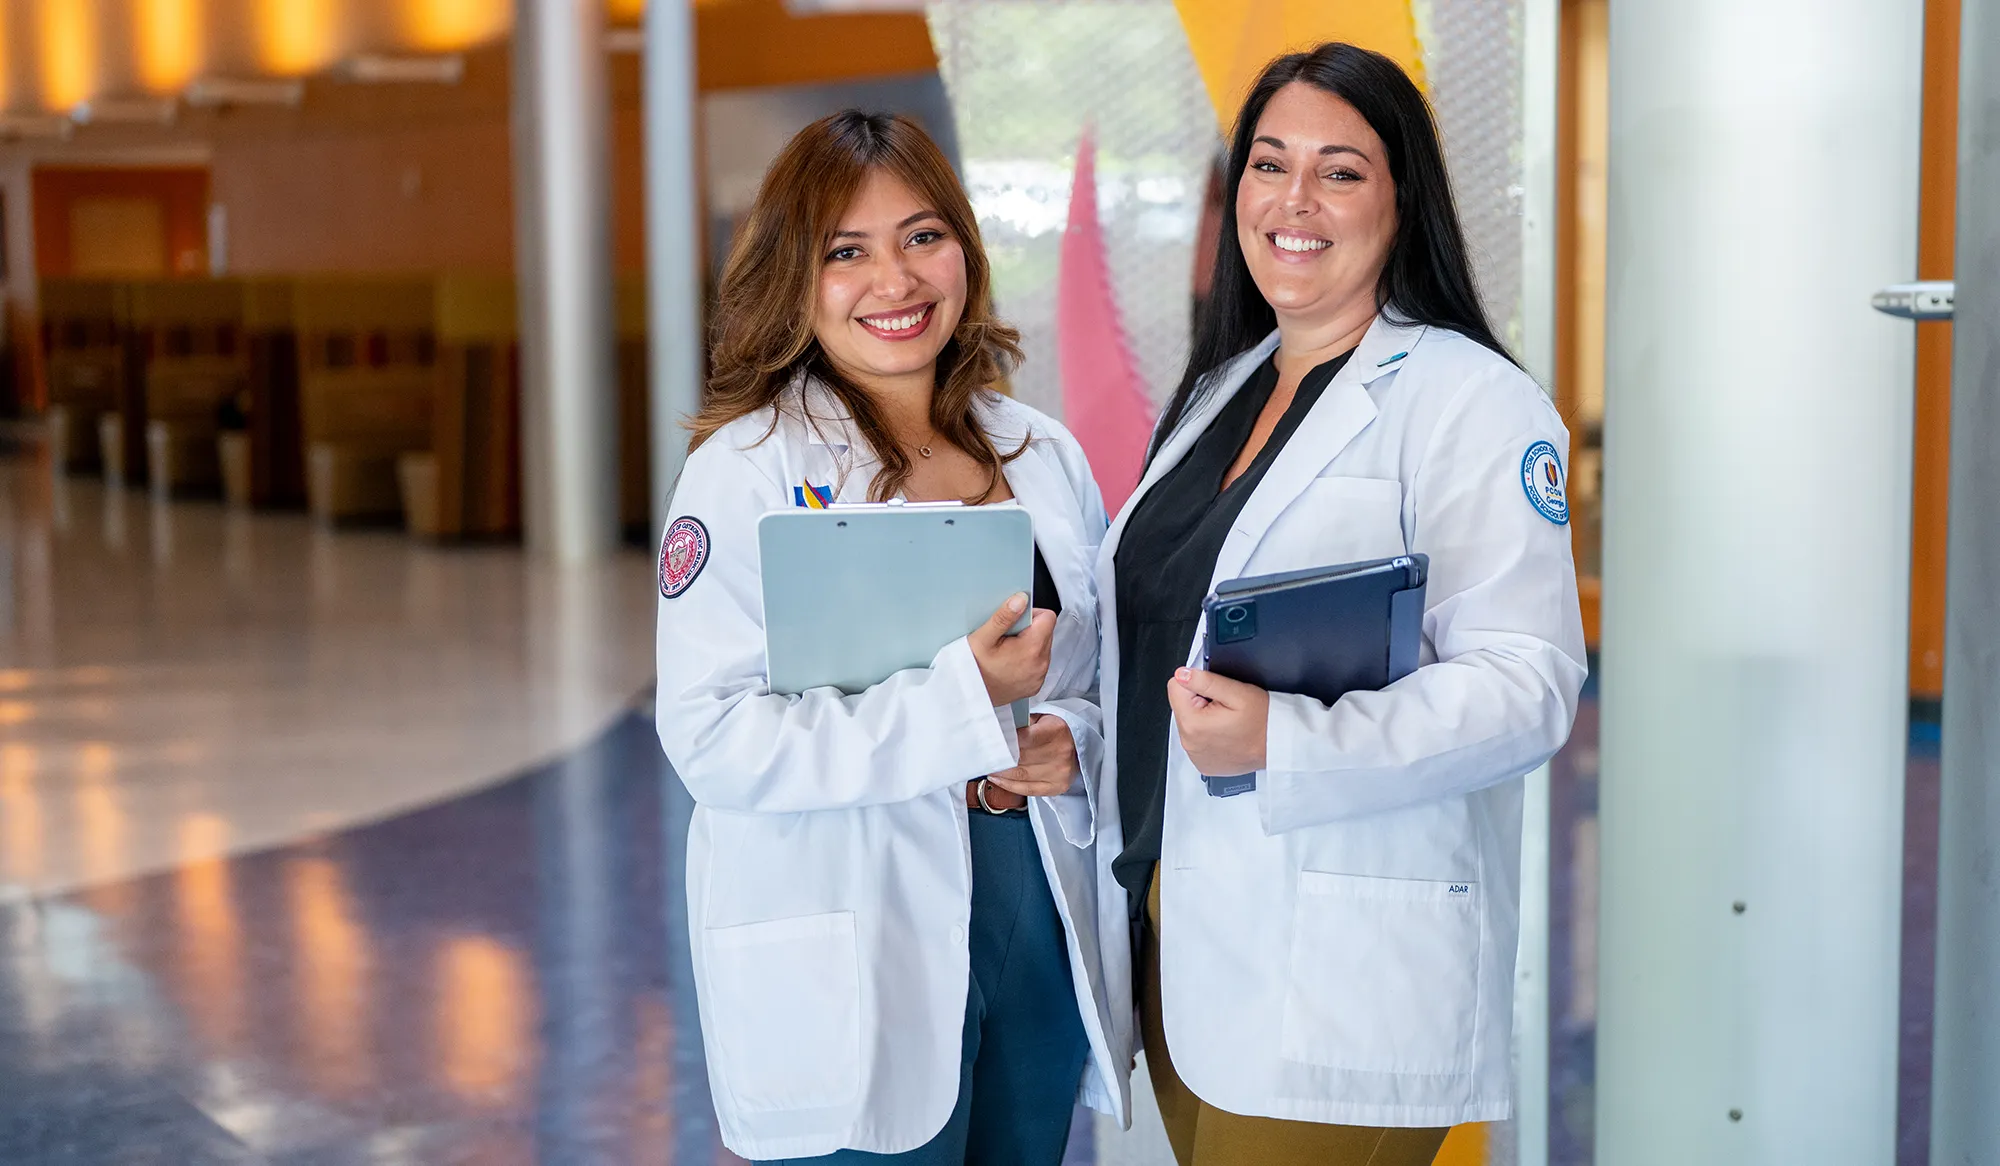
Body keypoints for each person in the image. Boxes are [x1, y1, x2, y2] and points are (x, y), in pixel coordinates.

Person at [1093, 43, 1588, 1165]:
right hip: (1171, 934)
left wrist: (1289, 738)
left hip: (1338, 966)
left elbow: (1528, 686)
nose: (1293, 201)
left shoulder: (1473, 403)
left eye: (1340, 170)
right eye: (1267, 166)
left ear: (1401, 202)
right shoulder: (1223, 386)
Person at [654, 110, 1128, 1165]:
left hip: (1033, 922)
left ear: (962, 244)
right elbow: (715, 738)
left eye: (921, 236)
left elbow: (1096, 678)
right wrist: (962, 708)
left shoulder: (1041, 451)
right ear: (794, 275)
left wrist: (1063, 740)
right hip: (850, 934)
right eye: (846, 252)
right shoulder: (744, 471)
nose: (895, 280)